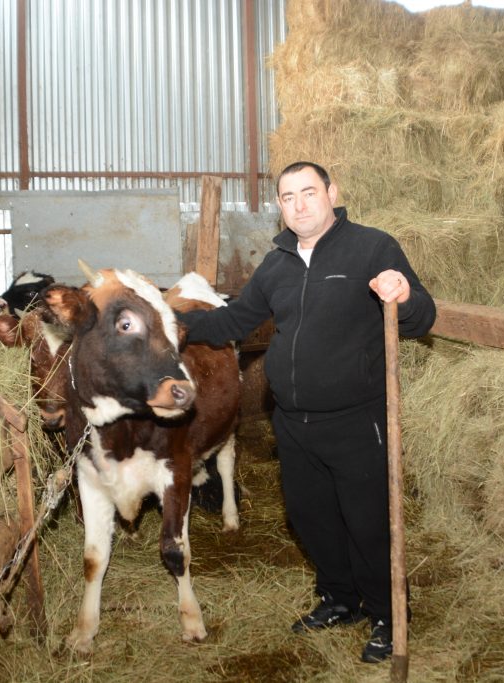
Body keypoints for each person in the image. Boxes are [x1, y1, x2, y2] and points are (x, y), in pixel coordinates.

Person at [177, 161, 436, 663]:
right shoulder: (277, 264)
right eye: (288, 196)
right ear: (280, 205)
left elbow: (422, 317)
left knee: (367, 522)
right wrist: (170, 321)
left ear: (331, 193)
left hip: (357, 419)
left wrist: (403, 296)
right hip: (293, 422)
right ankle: (339, 599)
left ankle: (387, 614)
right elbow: (235, 320)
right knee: (308, 516)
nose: (299, 205)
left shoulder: (371, 248)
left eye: (309, 192)